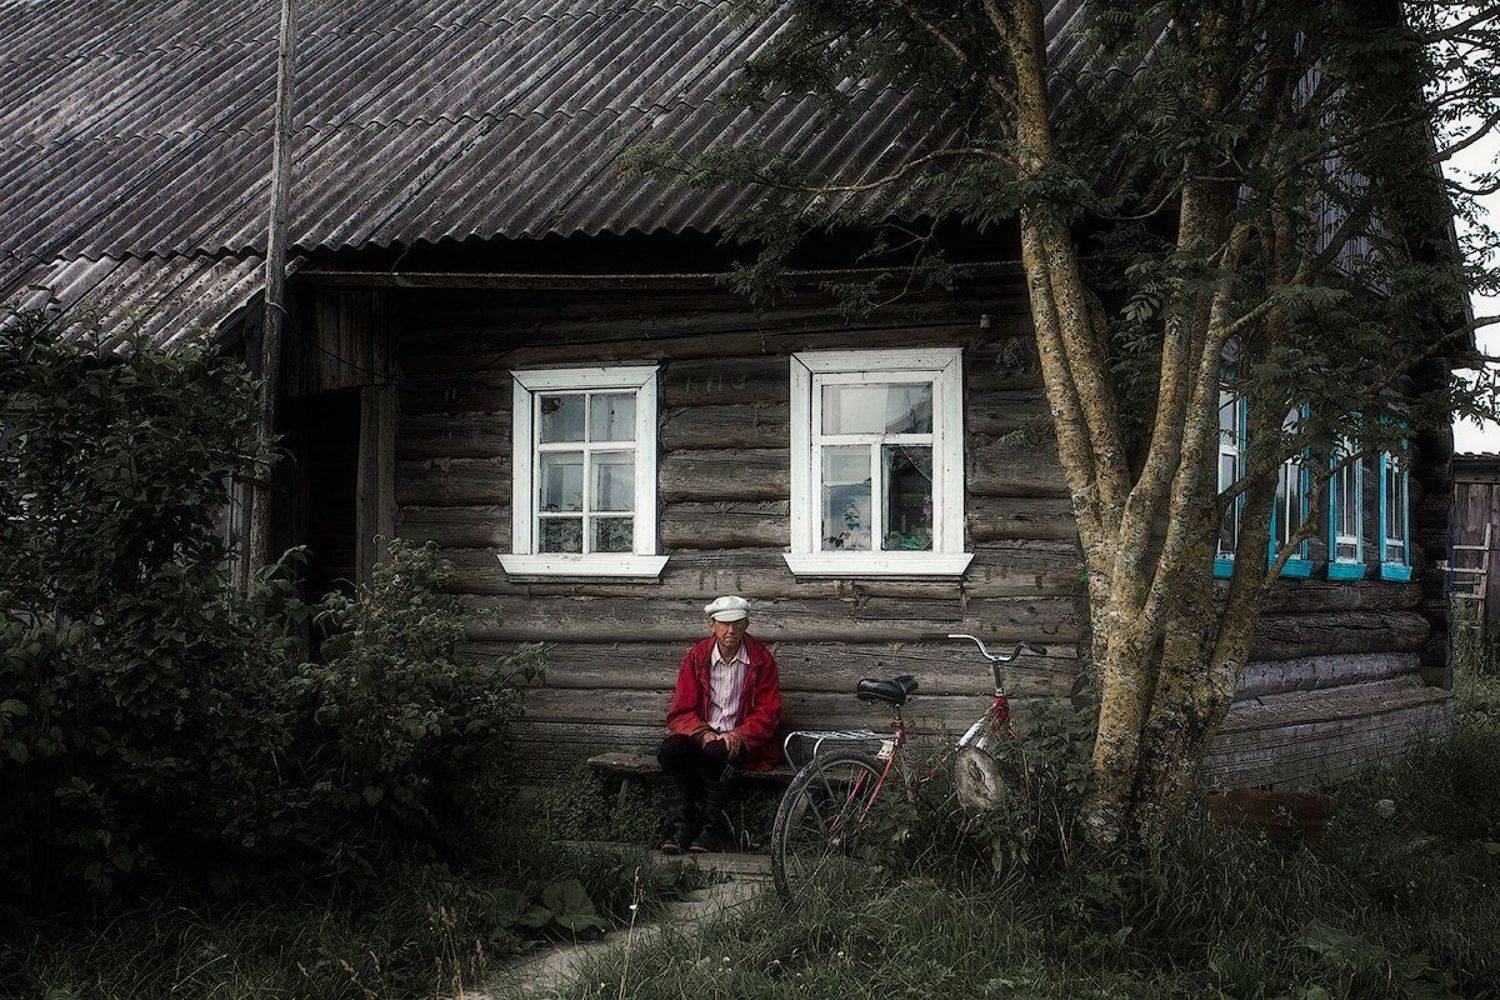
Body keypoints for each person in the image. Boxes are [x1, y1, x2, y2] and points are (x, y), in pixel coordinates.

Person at [658, 595, 782, 853]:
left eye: (737, 623)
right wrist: (702, 734)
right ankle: (680, 827)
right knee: (670, 750)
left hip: (742, 740)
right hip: (704, 734)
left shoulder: (761, 659)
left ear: (746, 625)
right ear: (712, 625)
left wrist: (739, 735)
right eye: (724, 624)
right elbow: (681, 710)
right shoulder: (697, 657)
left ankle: (711, 830)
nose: (731, 630)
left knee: (716, 753)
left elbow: (768, 713)